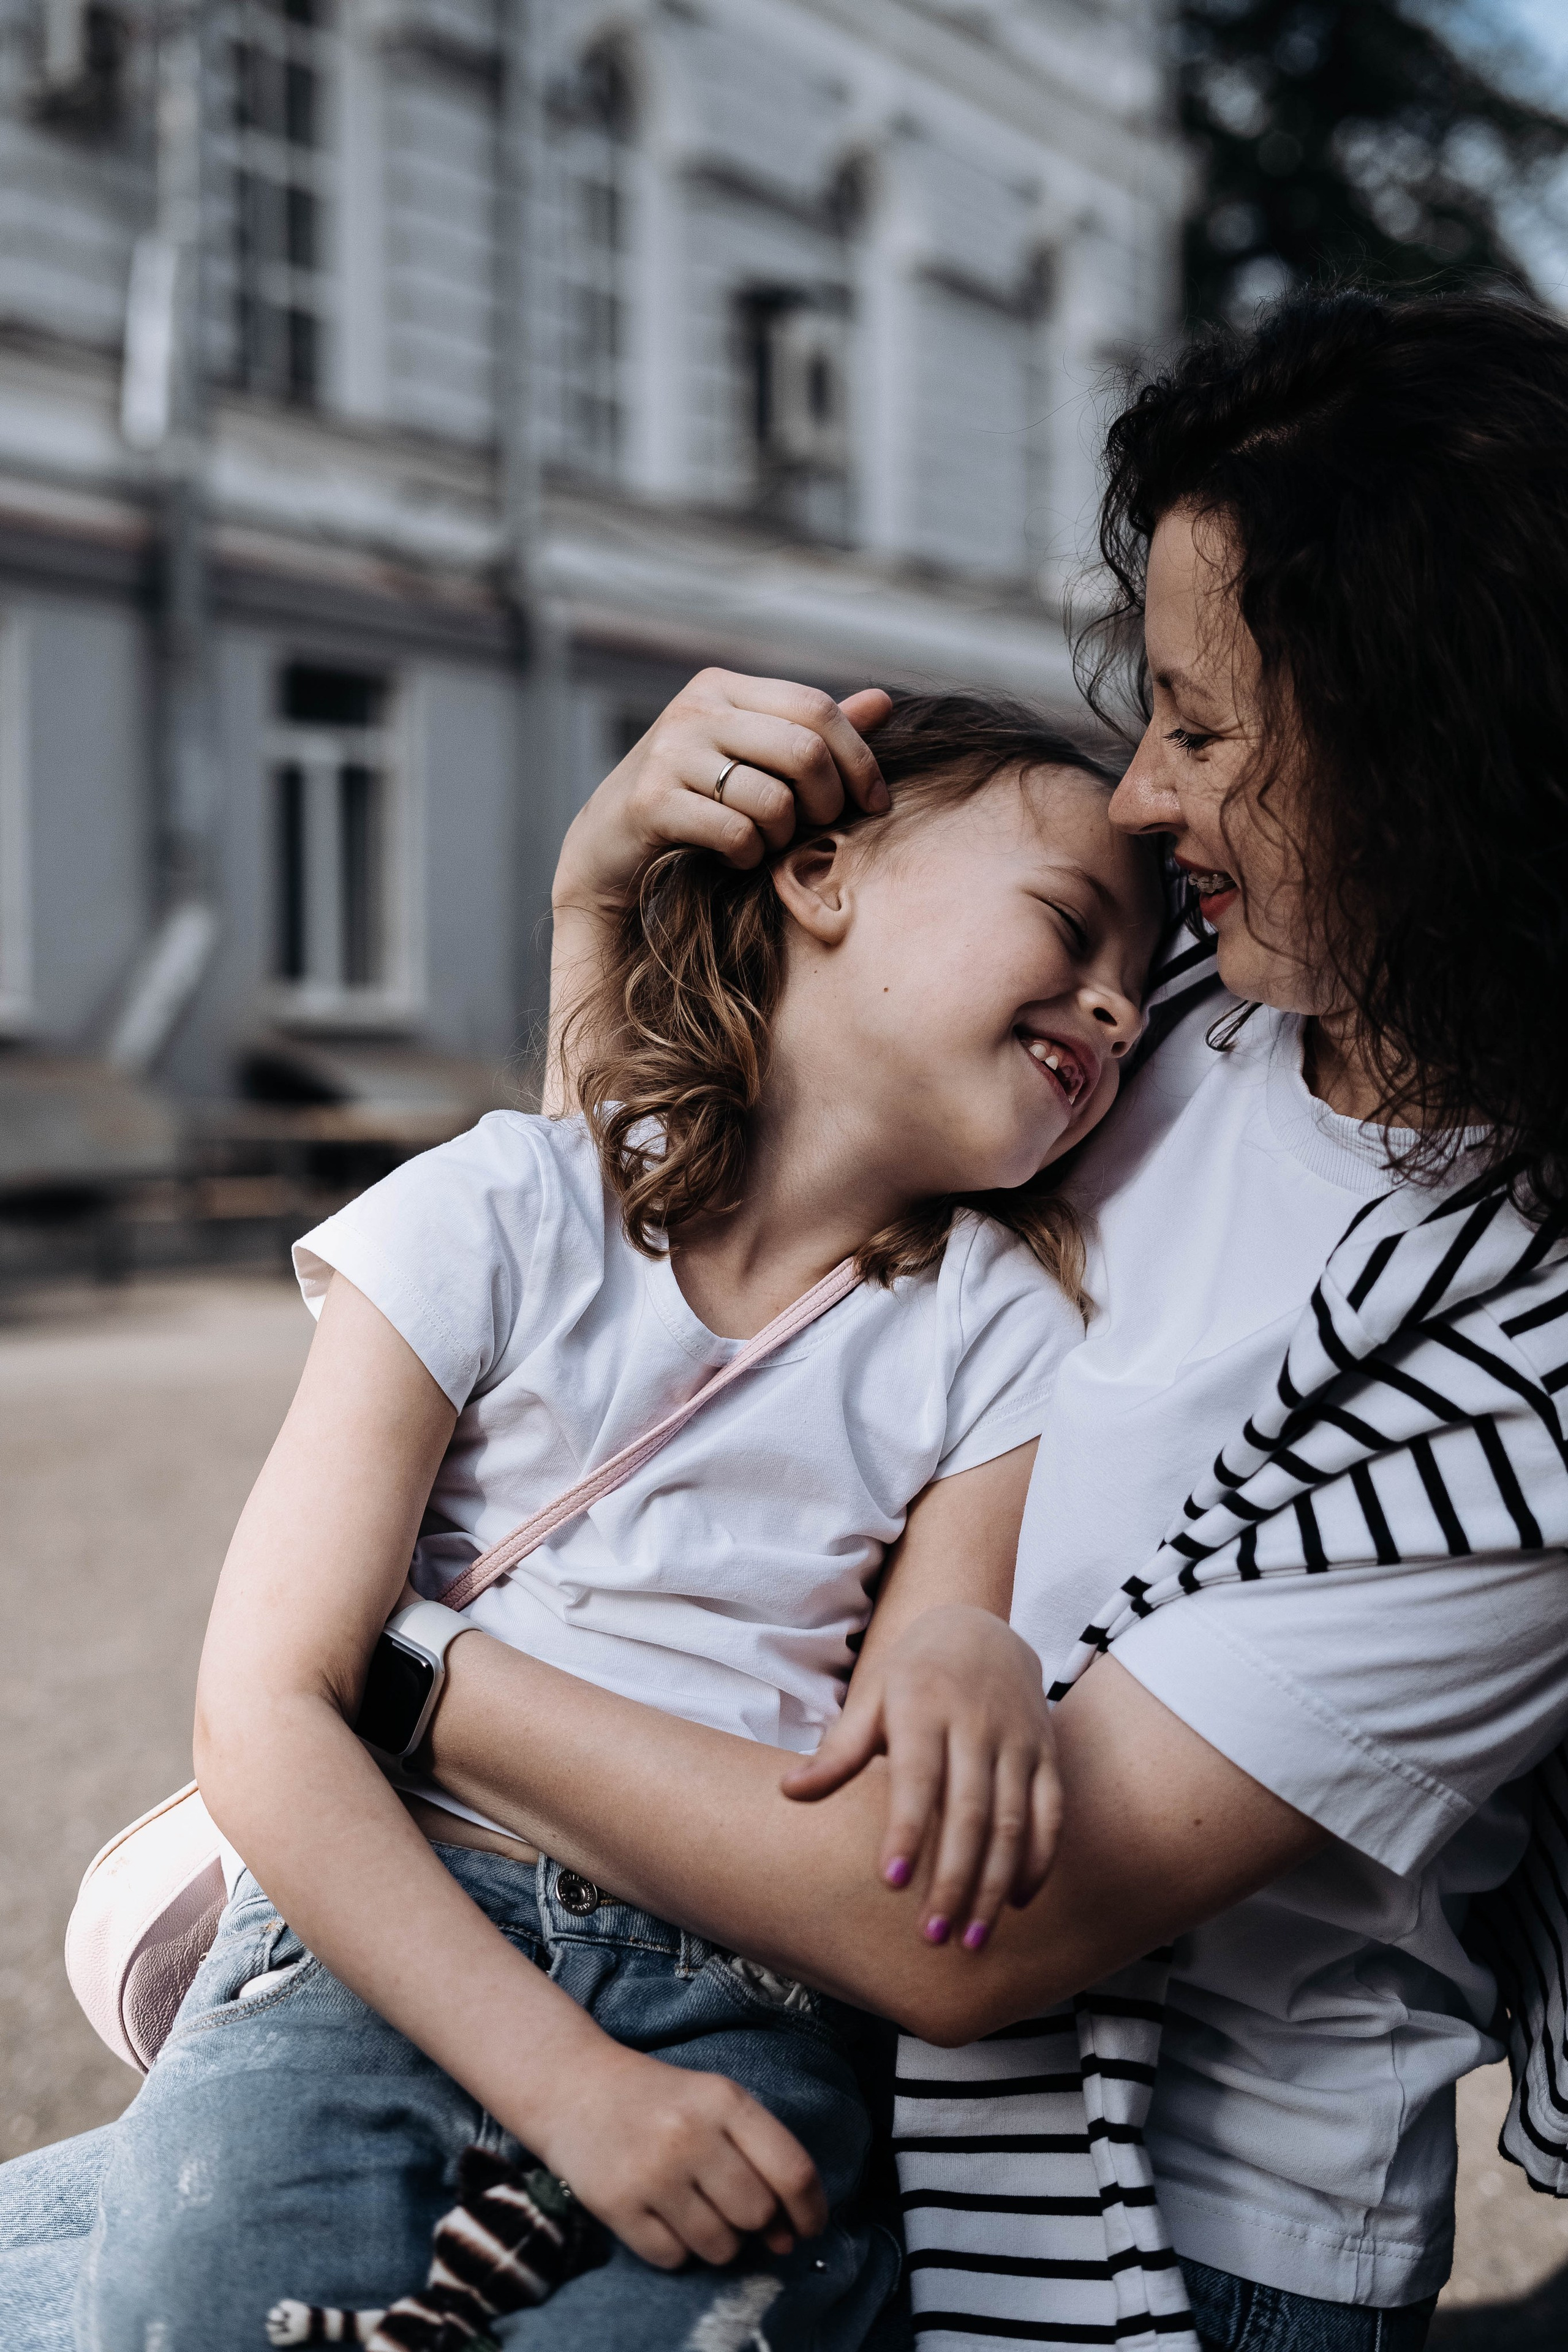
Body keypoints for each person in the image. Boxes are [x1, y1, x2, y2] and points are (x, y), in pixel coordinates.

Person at [4, 284, 1567, 2352]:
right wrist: (605, 904)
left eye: (1203, 727)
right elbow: (654, 1332)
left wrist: (376, 1676)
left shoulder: (1516, 1362)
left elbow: (962, 1940)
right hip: (704, 2020)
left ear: (1427, 757)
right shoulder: (1186, 994)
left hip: (1117, 2234)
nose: (1145, 803)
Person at [68, 695, 1161, 2352]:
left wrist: (975, 1666)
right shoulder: (493, 1208)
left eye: (1137, 996)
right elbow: (268, 1702)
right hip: (392, 1923)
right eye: (1073, 926)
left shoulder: (1003, 1317)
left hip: (750, 1998)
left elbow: (945, 1623)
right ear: (819, 873)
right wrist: (570, 2089)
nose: (1112, 1000)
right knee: (198, 2308)